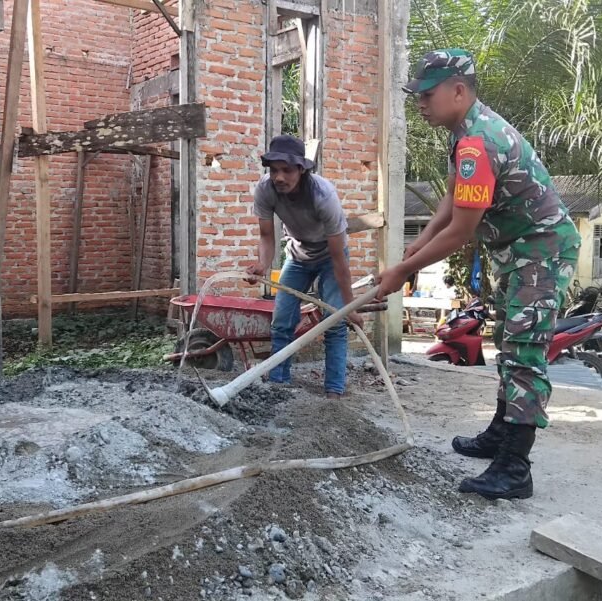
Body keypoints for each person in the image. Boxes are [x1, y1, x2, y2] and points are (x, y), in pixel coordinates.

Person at [375, 49, 581, 500]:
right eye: (418, 96)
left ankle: (515, 467)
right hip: (519, 251)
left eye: (428, 95)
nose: (421, 103)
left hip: (542, 250)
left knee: (524, 351)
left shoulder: (478, 143)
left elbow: (463, 232)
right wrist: (418, 242)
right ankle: (499, 433)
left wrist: (403, 271)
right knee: (508, 341)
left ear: (459, 91)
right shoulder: (465, 134)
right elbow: (451, 202)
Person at [246, 135, 362, 399]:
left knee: (334, 321)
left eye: (287, 170)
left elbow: (339, 258)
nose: (279, 177)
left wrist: (349, 306)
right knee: (282, 321)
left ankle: (334, 390)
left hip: (331, 259)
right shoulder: (265, 189)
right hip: (298, 255)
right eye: (274, 170)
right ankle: (278, 385)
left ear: (301, 169)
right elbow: (266, 236)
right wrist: (262, 265)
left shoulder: (323, 196)